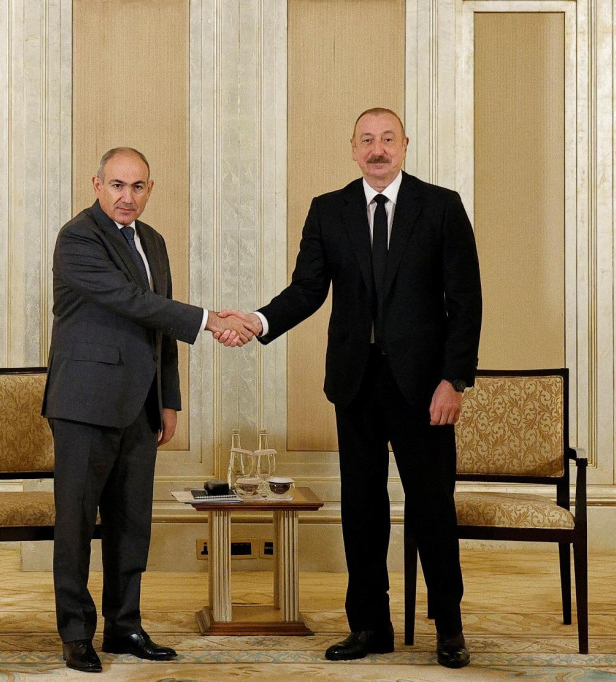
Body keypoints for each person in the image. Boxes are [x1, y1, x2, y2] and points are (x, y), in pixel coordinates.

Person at [219, 108, 482, 668]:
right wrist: (258, 321)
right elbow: (307, 289)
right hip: (355, 383)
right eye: (367, 140)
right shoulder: (329, 209)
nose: (377, 149)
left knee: (432, 509)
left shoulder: (441, 206)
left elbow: (465, 302)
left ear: (405, 145)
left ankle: (449, 629)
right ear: (353, 148)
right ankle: (369, 627)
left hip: (425, 390)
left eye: (387, 139)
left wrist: (454, 380)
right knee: (362, 511)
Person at [43, 147, 253, 673]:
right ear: (97, 184)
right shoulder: (77, 238)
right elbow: (131, 301)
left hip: (141, 406)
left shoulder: (153, 241)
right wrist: (210, 319)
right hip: (85, 403)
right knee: (76, 524)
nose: (127, 196)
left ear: (150, 189)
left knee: (131, 523)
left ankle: (124, 626)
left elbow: (160, 329)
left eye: (137, 186)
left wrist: (169, 400)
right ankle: (76, 634)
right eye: (117, 185)